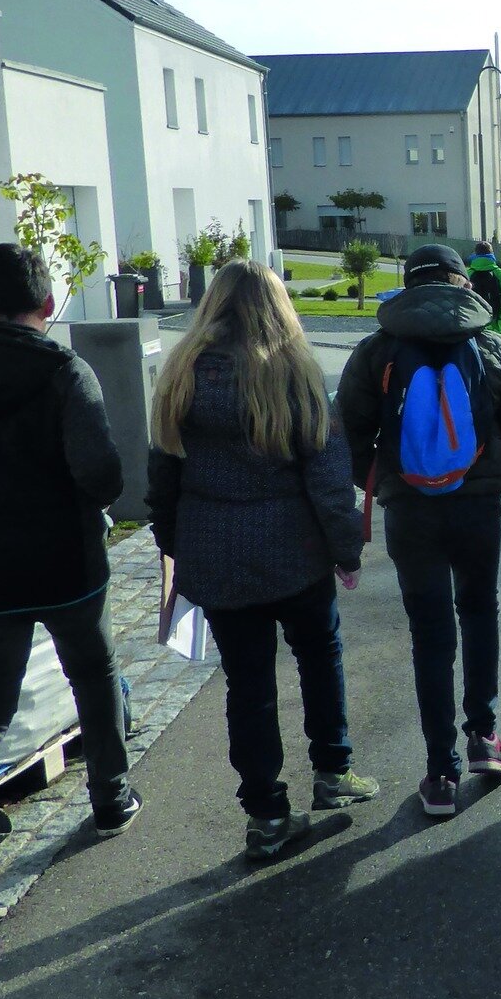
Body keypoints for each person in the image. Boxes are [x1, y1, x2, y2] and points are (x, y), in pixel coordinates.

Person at [147, 258, 376, 861]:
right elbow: (329, 482)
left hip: (216, 552)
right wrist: (345, 551)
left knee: (248, 687)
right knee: (319, 656)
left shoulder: (180, 374)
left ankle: (267, 814)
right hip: (294, 551)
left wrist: (173, 547)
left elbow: (162, 473)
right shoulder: (295, 375)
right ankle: (333, 771)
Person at [338, 242, 501, 817]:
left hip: (410, 513)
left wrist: (389, 477)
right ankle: (484, 737)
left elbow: (348, 434)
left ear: (408, 284)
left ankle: (440, 772)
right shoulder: (490, 344)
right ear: (458, 283)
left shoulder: (377, 351)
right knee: (479, 612)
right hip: (477, 507)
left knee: (430, 633)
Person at [0, 244, 141, 838]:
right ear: (47, 303)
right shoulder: (65, 371)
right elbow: (100, 474)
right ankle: (110, 795)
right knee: (94, 672)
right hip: (66, 563)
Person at [467, 240, 501, 335]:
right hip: (495, 321)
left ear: (475, 254)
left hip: (473, 321)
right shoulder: (499, 273)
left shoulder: (468, 273)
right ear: (491, 253)